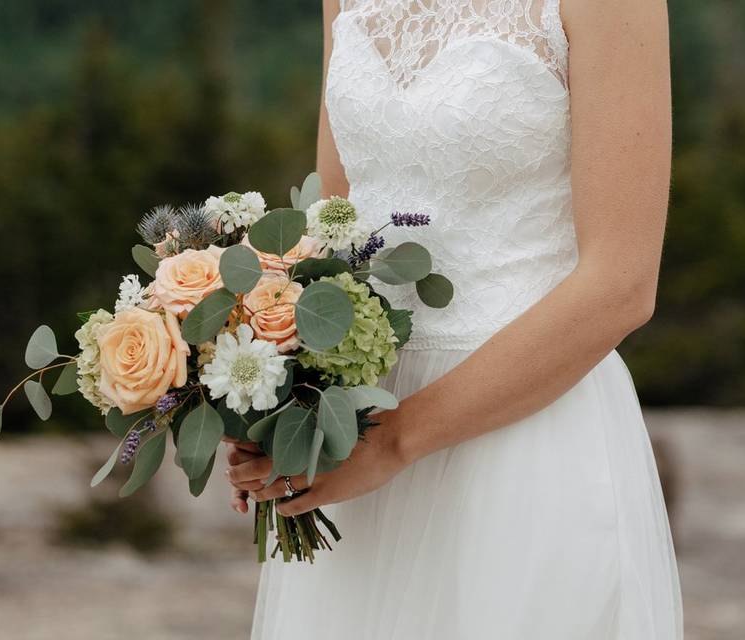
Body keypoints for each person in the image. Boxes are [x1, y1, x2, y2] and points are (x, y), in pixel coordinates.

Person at [228, 1, 682, 637]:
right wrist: (262, 393)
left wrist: (395, 438)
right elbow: (334, 226)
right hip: (354, 435)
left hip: (520, 433)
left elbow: (621, 285)